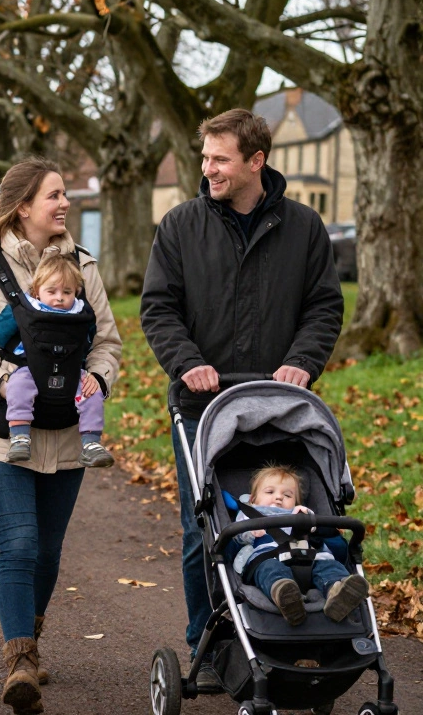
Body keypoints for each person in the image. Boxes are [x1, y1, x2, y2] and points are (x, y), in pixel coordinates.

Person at [140, 108, 343, 690]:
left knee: (290, 519)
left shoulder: (304, 227)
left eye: (219, 158)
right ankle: (209, 640)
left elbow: (324, 306)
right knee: (205, 525)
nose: (207, 169)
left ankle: (293, 626)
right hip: (205, 405)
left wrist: (302, 362)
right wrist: (189, 364)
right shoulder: (181, 225)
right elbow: (159, 308)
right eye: (204, 158)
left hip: (281, 406)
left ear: (257, 160)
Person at [0, 157, 121, 715]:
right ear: (23, 207)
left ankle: (32, 640)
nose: (65, 204)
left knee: (47, 551)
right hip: (2, 435)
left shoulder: (84, 269)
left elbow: (108, 343)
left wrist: (98, 380)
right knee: (19, 545)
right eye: (55, 196)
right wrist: (3, 383)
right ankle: (19, 662)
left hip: (68, 434)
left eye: (65, 195)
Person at [0, 252, 113, 467]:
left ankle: (91, 442)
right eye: (51, 291)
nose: (60, 298)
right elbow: (0, 333)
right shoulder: (24, 309)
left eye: (67, 292)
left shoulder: (81, 312)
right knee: (16, 385)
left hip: (70, 369)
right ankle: (19, 435)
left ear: (77, 292)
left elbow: (89, 336)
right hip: (31, 365)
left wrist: (91, 370)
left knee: (92, 391)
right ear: (37, 292)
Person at [231, 464, 369, 626]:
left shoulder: (299, 512)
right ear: (253, 500)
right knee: (270, 570)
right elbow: (237, 537)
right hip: (270, 556)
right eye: (270, 492)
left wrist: (307, 519)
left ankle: (337, 592)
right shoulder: (251, 514)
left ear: (296, 502)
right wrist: (250, 531)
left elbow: (314, 526)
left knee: (330, 567)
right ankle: (284, 593)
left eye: (288, 495)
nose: (278, 497)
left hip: (310, 556)